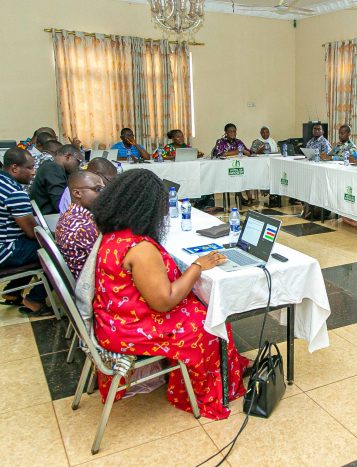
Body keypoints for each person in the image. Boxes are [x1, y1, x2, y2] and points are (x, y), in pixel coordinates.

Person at [91, 169, 250, 419]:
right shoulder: (140, 249)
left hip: (114, 319)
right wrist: (198, 266)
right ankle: (203, 392)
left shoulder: (115, 235)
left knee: (202, 307)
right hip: (129, 330)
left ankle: (223, 367)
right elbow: (164, 302)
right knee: (211, 322)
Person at [0, 148, 51, 314]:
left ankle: (13, 292)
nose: (33, 172)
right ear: (14, 168)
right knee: (58, 250)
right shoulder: (14, 192)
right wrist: (53, 235)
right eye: (29, 168)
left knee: (34, 246)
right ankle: (35, 300)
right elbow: (32, 232)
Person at [54, 170, 104, 278]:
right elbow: (106, 263)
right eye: (98, 189)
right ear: (77, 193)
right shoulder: (85, 227)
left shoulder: (69, 214)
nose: (104, 194)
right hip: (90, 282)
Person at [30, 144, 82, 214]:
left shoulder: (52, 167)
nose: (78, 166)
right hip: (49, 216)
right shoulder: (53, 169)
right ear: (68, 156)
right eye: (78, 161)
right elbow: (61, 205)